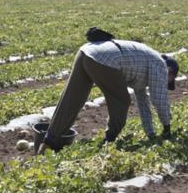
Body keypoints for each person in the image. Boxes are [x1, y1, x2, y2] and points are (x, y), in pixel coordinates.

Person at [38, 27, 179, 154]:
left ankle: (48, 143)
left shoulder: (146, 63)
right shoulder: (160, 65)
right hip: (106, 58)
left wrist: (151, 134)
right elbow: (159, 99)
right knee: (122, 100)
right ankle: (109, 140)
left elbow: (144, 104)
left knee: (72, 98)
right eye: (169, 81)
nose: (166, 84)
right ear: (170, 72)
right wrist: (167, 127)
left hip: (86, 51)